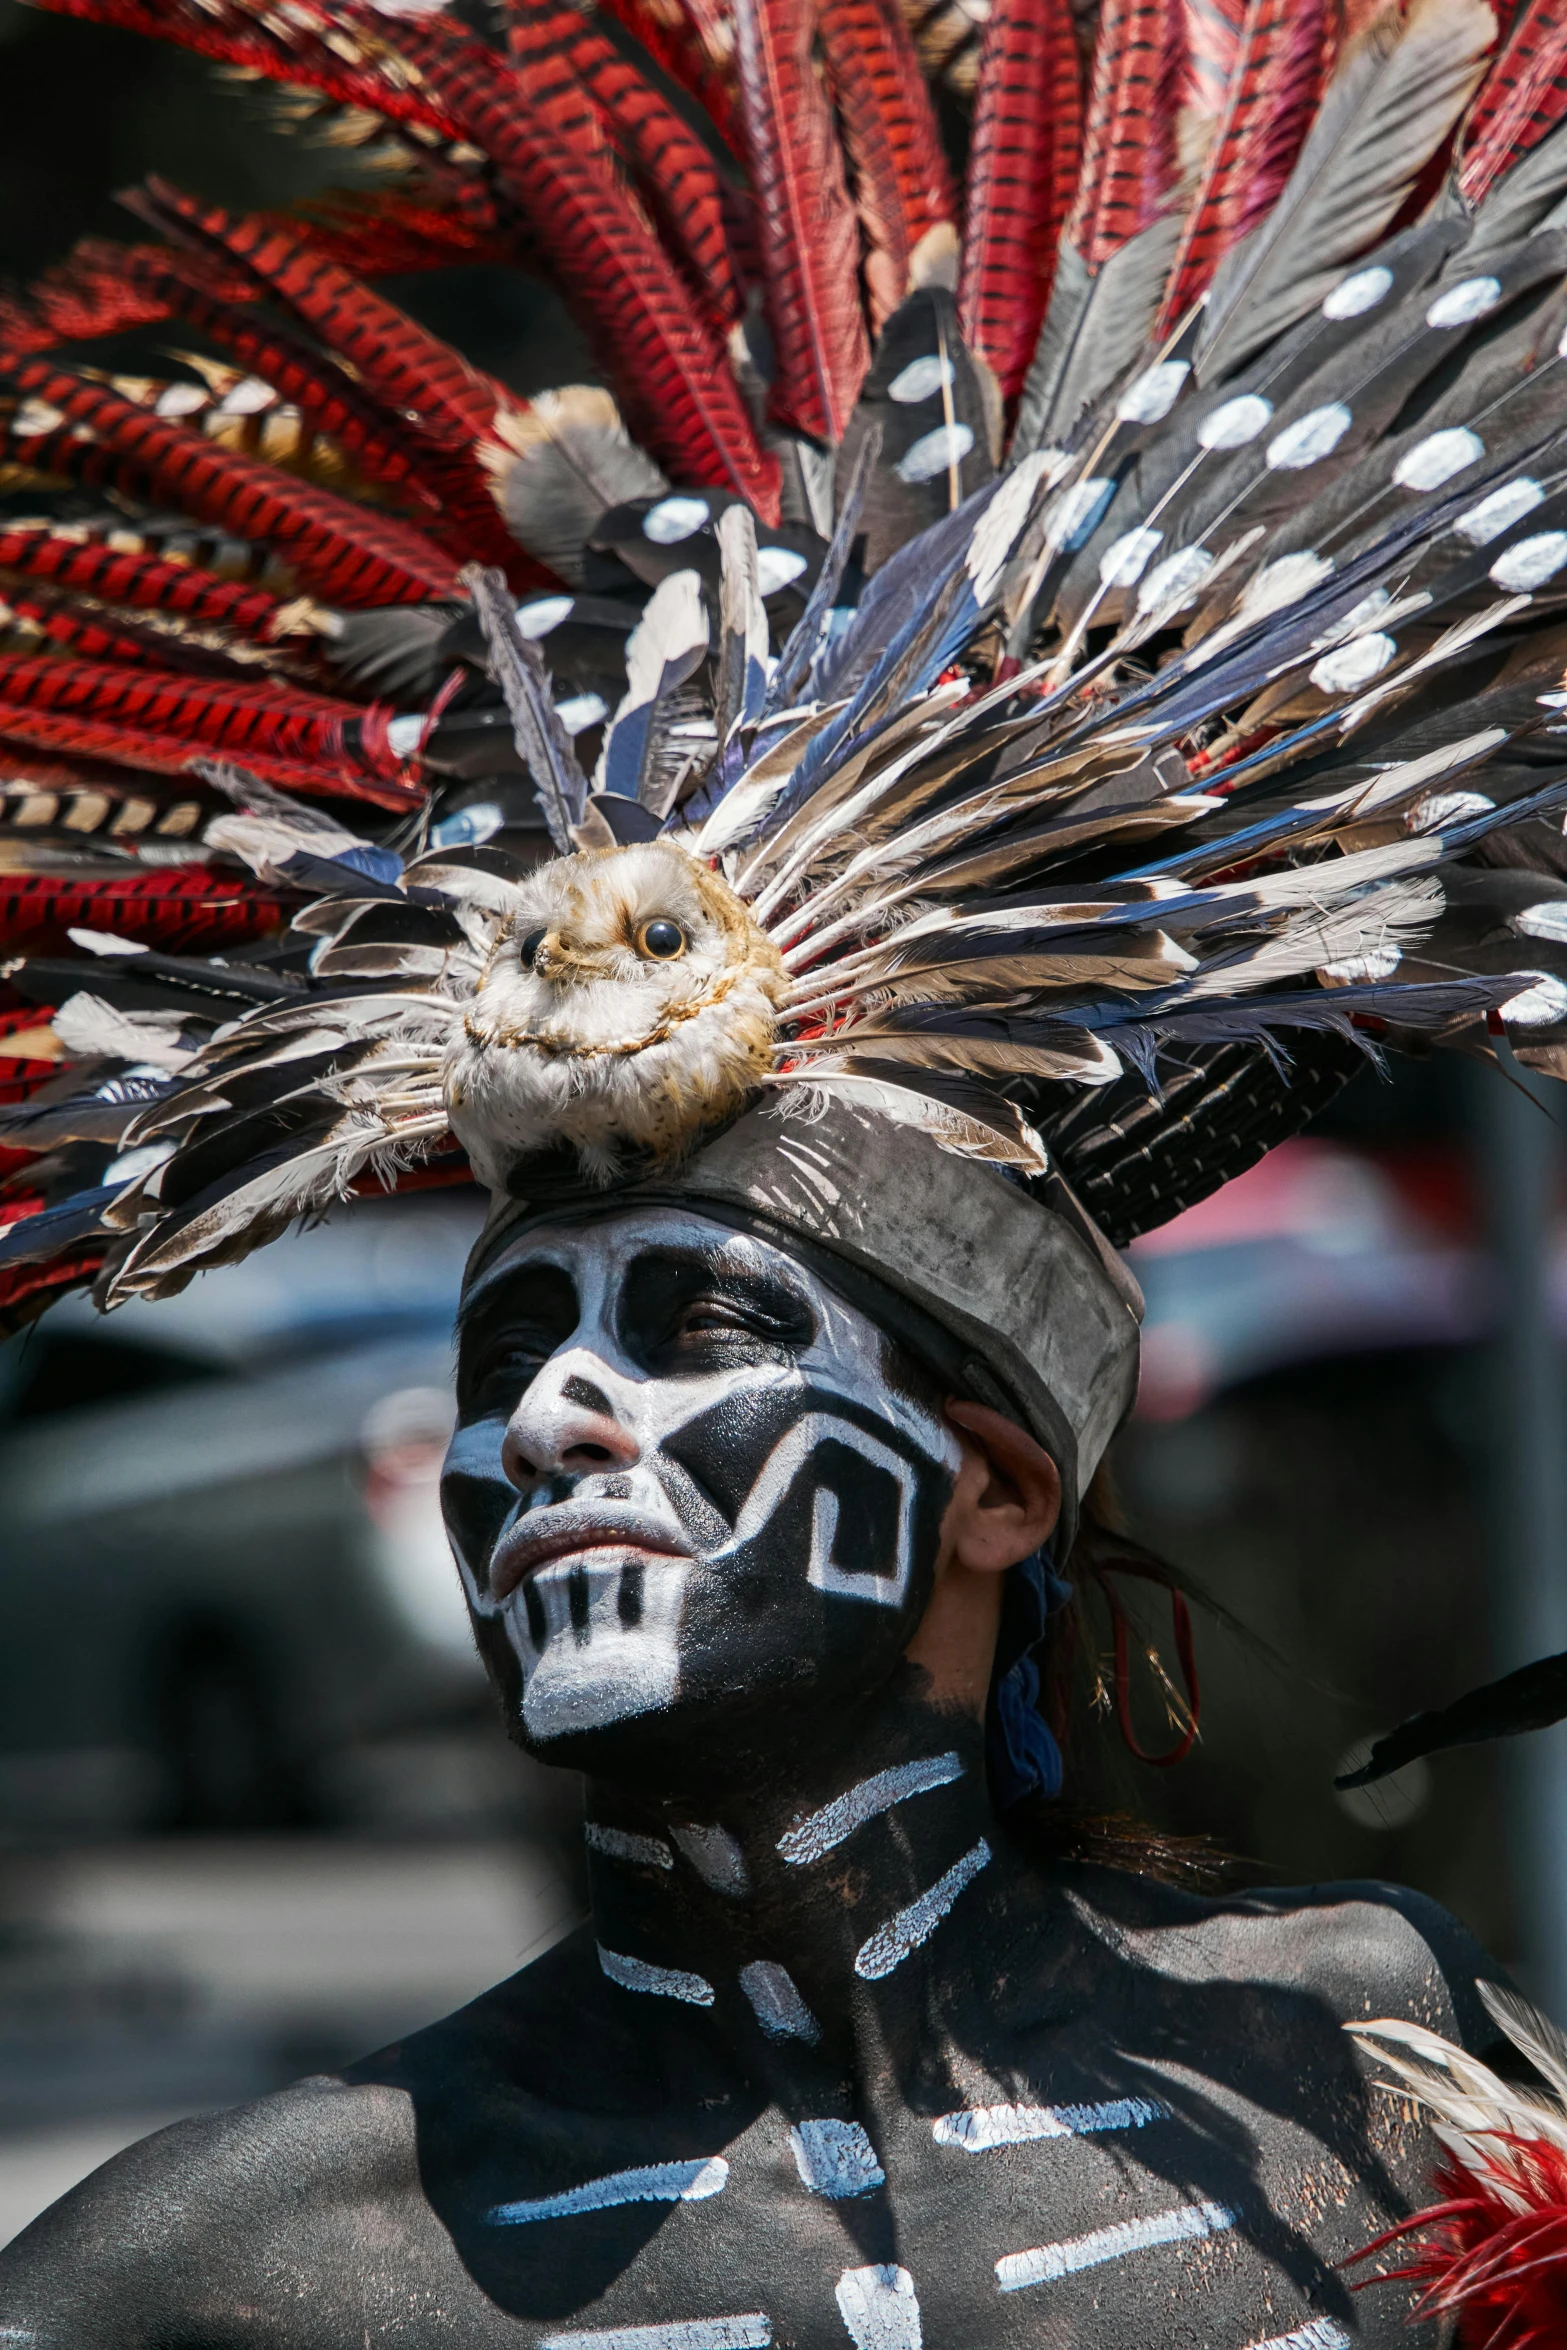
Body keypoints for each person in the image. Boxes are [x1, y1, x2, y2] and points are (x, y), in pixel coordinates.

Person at [3, 0, 1567, 2335]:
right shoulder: (227, 2271)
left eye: (701, 1325)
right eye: (513, 1343)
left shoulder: (1375, 2095)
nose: (542, 1425)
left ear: (996, 1483)